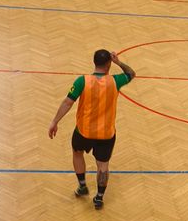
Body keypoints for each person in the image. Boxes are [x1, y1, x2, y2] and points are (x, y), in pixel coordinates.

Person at [48, 50, 136, 209]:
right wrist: (119, 62)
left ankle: (82, 186)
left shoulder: (82, 81)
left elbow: (68, 103)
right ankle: (99, 198)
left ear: (94, 62)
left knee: (77, 153)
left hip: (84, 131)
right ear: (109, 63)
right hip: (106, 134)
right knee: (103, 166)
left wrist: (55, 121)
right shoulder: (116, 81)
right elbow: (131, 73)